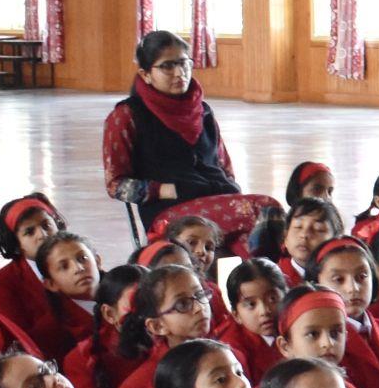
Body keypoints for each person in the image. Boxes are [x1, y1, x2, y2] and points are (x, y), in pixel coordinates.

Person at [102, 29, 272, 246]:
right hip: (171, 214)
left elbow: (224, 167)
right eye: (167, 66)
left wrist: (225, 189)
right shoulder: (127, 116)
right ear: (145, 74)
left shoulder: (203, 111)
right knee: (264, 209)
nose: (179, 73)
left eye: (184, 63)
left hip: (219, 204)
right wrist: (165, 190)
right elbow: (116, 185)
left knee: (263, 231)